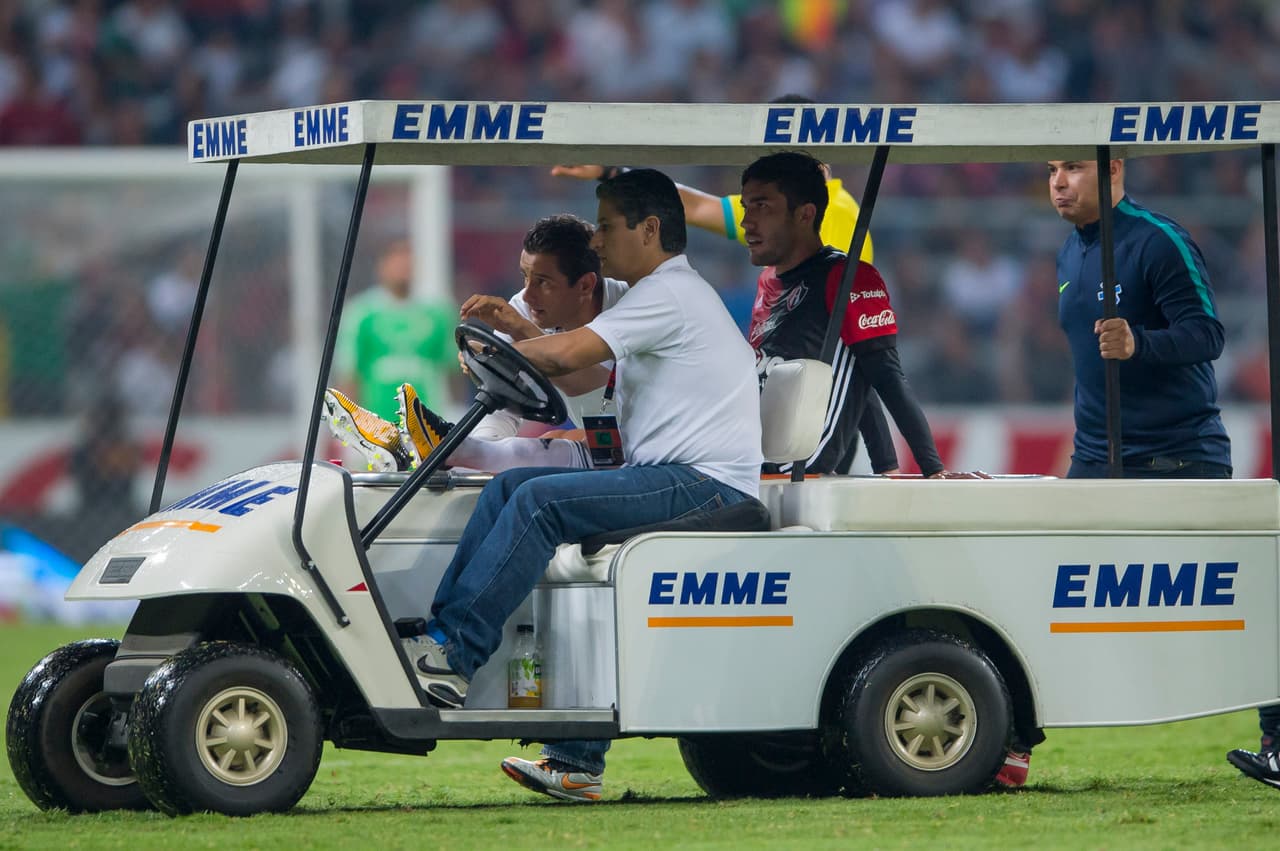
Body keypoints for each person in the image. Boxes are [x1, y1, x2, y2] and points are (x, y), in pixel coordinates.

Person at [401, 169, 763, 802]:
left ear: (650, 230)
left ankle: (454, 654)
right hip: (672, 477)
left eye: (606, 226)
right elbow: (576, 366)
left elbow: (568, 358)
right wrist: (513, 339)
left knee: (539, 501)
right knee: (511, 487)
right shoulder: (658, 292)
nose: (596, 240)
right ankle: (443, 645)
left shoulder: (668, 293)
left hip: (704, 484)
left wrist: (499, 341)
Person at [550, 94, 897, 476]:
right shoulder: (771, 209)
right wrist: (613, 173)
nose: (751, 219)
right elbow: (696, 207)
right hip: (779, 404)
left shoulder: (837, 218)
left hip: (812, 416)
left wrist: (888, 464)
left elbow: (856, 353)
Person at [1028, 157, 1235, 790]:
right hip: (1097, 459)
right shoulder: (1069, 252)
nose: (1058, 182)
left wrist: (1141, 342)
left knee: (1240, 610)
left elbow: (1208, 335)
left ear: (1111, 167)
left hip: (1179, 455)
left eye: (1070, 168)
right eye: (1051, 170)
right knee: (1042, 601)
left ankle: (1277, 741)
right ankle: (1011, 746)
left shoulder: (1158, 240)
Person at [325, 215, 628, 473]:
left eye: (543, 282)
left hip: (642, 451)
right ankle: (442, 450)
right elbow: (504, 407)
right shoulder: (525, 306)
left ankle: (439, 446)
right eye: (525, 277)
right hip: (600, 442)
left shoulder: (632, 310)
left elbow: (614, 410)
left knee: (558, 447)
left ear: (586, 285)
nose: (527, 295)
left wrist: (520, 336)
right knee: (530, 453)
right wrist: (479, 458)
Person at [738, 151, 944, 478]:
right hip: (750, 450)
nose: (746, 222)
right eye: (745, 207)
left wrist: (931, 469)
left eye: (762, 207)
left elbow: (882, 376)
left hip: (792, 465)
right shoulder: (768, 277)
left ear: (805, 214)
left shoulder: (849, 277)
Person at [334, 238, 457, 421]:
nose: (403, 268)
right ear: (382, 267)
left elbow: (453, 369)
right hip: (376, 423)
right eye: (396, 261)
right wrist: (349, 421)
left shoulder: (438, 313)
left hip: (427, 421)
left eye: (407, 261)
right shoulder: (362, 313)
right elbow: (349, 374)